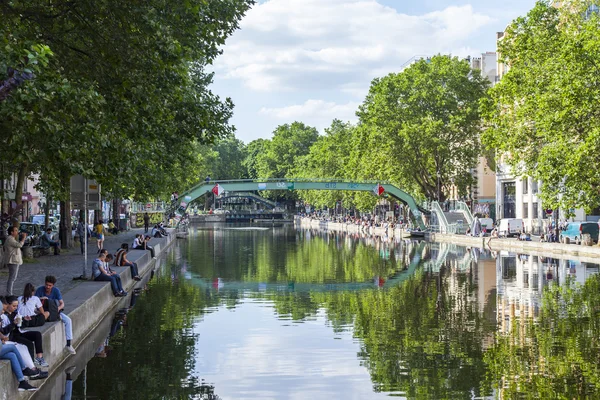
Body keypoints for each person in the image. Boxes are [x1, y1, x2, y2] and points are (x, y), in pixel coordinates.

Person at [0, 297, 47, 379]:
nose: (15, 308)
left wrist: (25, 320)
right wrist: (13, 324)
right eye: (13, 306)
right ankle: (30, 370)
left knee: (36, 335)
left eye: (16, 306)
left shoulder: (14, 313)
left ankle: (33, 366)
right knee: (22, 346)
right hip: (12, 337)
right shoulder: (4, 316)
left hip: (15, 334)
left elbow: (8, 330)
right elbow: (5, 331)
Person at [34, 276, 76, 355]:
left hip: (53, 311)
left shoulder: (56, 291)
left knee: (68, 320)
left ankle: (69, 344)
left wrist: (58, 308)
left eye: (50, 285)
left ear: (53, 285)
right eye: (46, 285)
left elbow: (62, 303)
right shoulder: (40, 290)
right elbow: (34, 302)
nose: (47, 287)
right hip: (42, 311)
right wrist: (41, 299)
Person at [3, 226, 26, 295]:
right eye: (15, 230)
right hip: (13, 261)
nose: (17, 231)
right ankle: (9, 294)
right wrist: (24, 238)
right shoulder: (10, 239)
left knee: (12, 278)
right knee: (12, 278)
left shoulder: (11, 238)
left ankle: (9, 293)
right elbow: (19, 245)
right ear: (11, 232)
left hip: (13, 260)